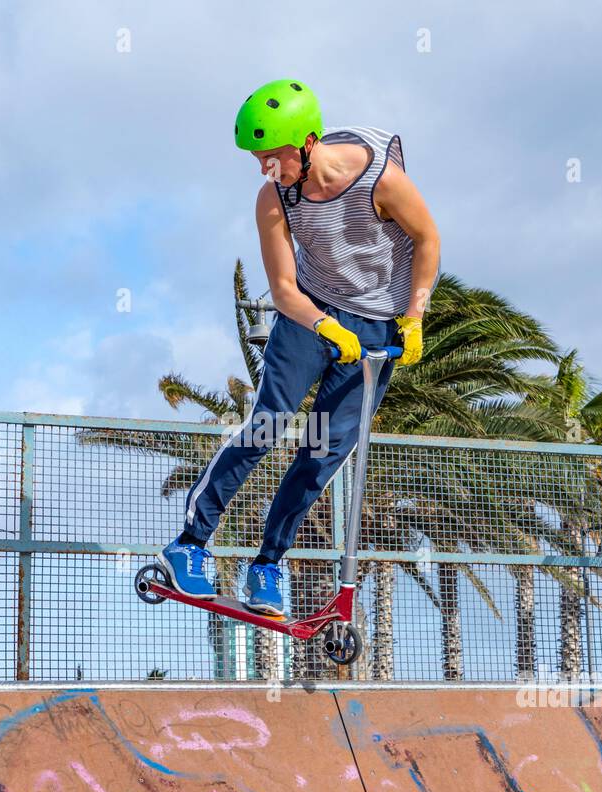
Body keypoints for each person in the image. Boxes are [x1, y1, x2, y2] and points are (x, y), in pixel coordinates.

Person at [160, 78, 440, 616]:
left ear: (308, 142)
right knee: (269, 422)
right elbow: (284, 289)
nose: (264, 167)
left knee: (323, 455)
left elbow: (428, 239)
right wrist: (326, 328)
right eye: (257, 157)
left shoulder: (383, 180)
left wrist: (414, 318)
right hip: (308, 314)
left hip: (380, 326)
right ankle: (189, 545)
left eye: (271, 156)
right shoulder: (274, 196)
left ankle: (267, 565)